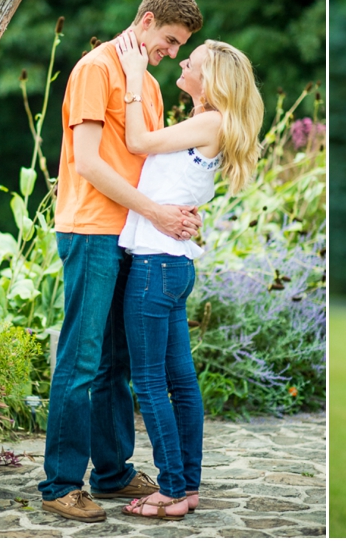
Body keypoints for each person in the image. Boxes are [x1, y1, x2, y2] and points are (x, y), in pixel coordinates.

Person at [39, 0, 204, 523]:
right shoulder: (94, 69)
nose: (173, 52)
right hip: (91, 230)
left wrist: (177, 210)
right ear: (148, 20)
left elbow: (149, 161)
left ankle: (111, 472)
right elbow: (87, 162)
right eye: (170, 40)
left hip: (132, 234)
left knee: (116, 362)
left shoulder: (147, 87)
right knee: (82, 358)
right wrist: (156, 213)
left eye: (181, 47)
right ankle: (62, 483)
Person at [113, 30, 264, 521]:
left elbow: (137, 142)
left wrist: (135, 78)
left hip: (156, 266)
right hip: (171, 265)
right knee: (180, 382)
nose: (181, 65)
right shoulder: (205, 122)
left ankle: (173, 490)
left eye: (190, 62)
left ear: (210, 78)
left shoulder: (211, 123)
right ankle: (187, 487)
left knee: (152, 384)